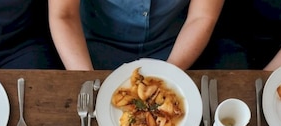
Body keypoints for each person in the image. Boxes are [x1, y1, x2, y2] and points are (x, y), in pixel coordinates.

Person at [48, 0, 225, 71]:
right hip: (91, 48)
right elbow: (64, 15)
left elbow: (202, 17)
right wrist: (85, 79)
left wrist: (169, 74)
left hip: (176, 46)